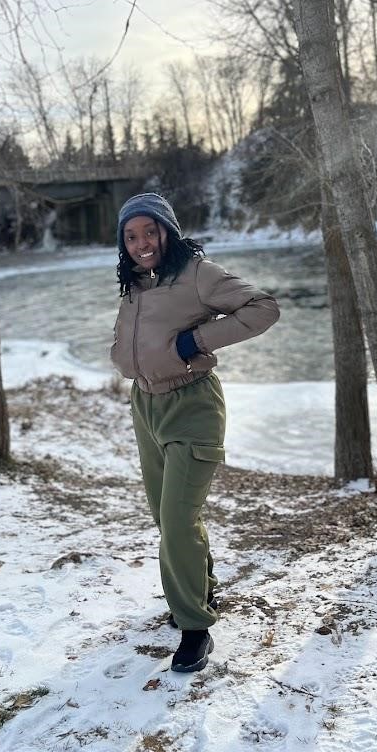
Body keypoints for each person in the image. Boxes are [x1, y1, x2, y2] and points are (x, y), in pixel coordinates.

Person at [110, 192, 280, 673]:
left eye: (150, 231)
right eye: (131, 236)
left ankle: (194, 628)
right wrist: (123, 355)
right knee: (168, 519)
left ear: (168, 230)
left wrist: (195, 340)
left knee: (179, 519)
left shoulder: (198, 274)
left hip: (193, 405)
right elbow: (134, 337)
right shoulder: (134, 284)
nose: (142, 243)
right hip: (146, 405)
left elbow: (262, 307)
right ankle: (200, 588)